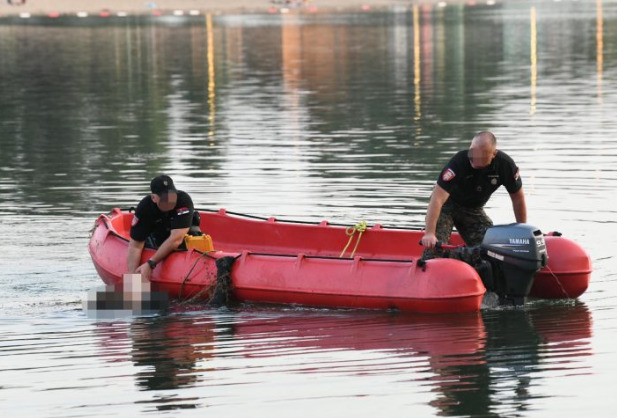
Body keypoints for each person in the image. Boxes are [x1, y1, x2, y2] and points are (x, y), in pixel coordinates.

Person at [421, 131, 527, 254]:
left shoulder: (504, 165)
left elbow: (518, 198)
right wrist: (429, 233)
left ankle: (470, 264)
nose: (474, 158)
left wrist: (522, 230)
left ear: (494, 154)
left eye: (481, 155)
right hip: (446, 206)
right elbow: (437, 199)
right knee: (435, 248)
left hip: (473, 210)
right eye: (473, 152)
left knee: (492, 248)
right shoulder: (459, 162)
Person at [127, 175, 195, 281]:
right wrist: (132, 278)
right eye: (165, 197)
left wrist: (150, 263)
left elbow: (176, 238)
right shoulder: (145, 208)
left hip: (179, 235)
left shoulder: (183, 201)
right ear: (154, 198)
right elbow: (135, 246)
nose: (170, 199)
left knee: (195, 227)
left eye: (172, 195)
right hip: (157, 237)